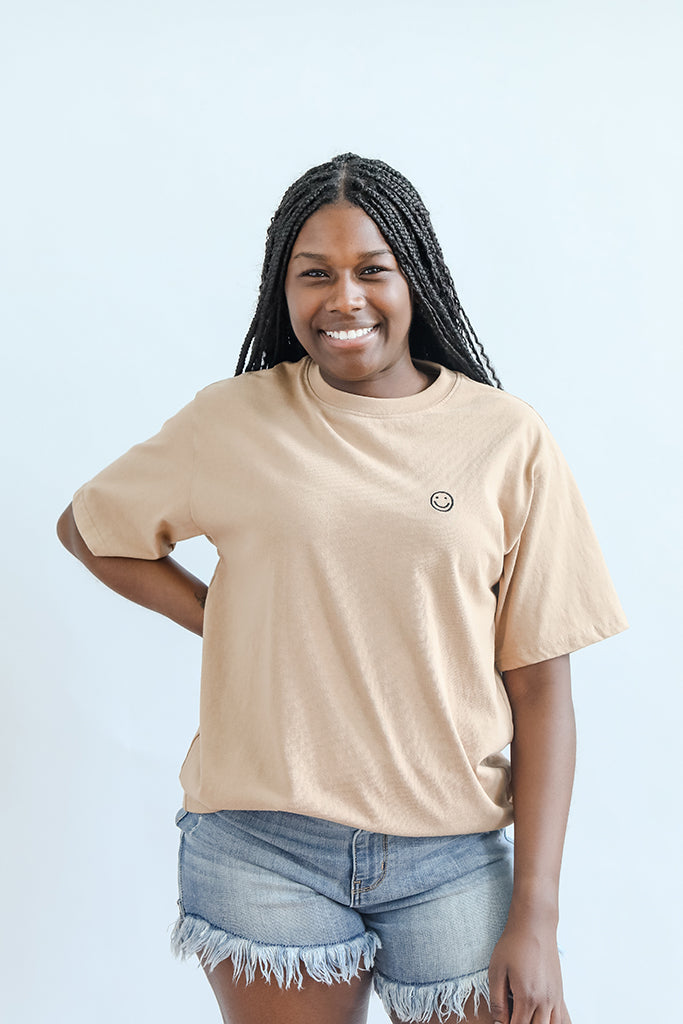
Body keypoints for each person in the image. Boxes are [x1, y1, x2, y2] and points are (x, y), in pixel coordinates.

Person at [57, 153, 628, 1024]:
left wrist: (538, 917)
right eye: (313, 274)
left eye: (371, 270)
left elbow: (541, 688)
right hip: (261, 848)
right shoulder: (234, 419)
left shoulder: (504, 439)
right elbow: (90, 528)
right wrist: (225, 619)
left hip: (452, 857)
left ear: (416, 278)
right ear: (281, 289)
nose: (343, 298)